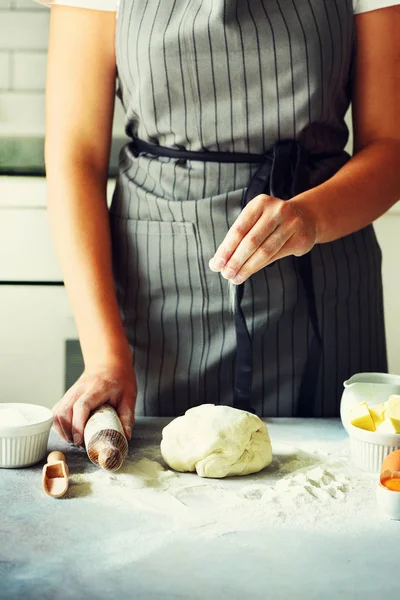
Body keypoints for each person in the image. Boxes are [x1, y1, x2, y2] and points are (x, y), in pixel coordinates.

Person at [39, 0, 400, 447]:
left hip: (325, 282)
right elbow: (75, 157)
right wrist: (104, 357)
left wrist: (311, 217)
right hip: (158, 295)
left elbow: (391, 144)